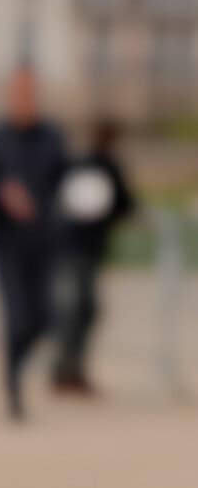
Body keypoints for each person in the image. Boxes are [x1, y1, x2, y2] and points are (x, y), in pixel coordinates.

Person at [0, 68, 69, 420]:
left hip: (45, 241)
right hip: (5, 244)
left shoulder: (53, 136)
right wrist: (0, 192)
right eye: (19, 91)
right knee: (16, 317)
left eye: (31, 91)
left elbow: (67, 182)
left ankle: (15, 366)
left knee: (45, 319)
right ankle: (12, 385)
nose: (25, 97)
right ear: (9, 94)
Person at [52, 120, 136, 396]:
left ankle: (67, 369)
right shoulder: (105, 167)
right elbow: (125, 206)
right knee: (80, 309)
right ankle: (68, 370)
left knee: (76, 309)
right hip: (83, 248)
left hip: (74, 246)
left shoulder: (79, 164)